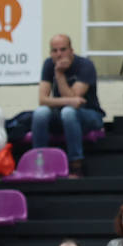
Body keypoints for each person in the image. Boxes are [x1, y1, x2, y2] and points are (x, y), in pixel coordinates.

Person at [33, 34, 104, 178]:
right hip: (63, 115)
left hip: (90, 115)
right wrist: (69, 101)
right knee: (40, 113)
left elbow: (74, 97)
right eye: (54, 51)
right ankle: (39, 163)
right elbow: (42, 100)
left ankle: (76, 165)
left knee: (68, 112)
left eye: (63, 49)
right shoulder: (48, 64)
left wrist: (59, 75)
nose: (59, 54)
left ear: (71, 50)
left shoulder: (85, 65)